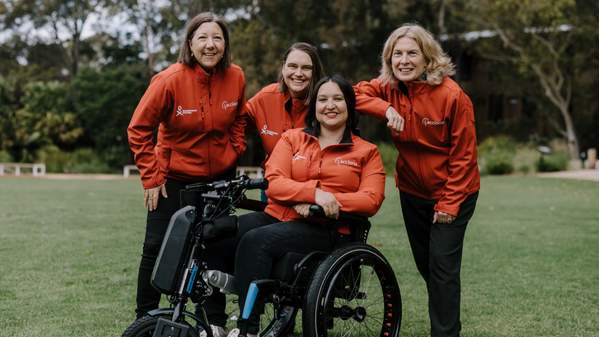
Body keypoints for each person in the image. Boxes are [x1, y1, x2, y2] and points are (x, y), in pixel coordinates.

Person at [227, 75, 386, 337]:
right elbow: (274, 182)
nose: (330, 105)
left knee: (256, 241)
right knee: (214, 231)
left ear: (349, 105)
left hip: (329, 230)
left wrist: (326, 201)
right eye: (323, 99)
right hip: (281, 217)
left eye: (338, 99)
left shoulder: (366, 151)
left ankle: (248, 330)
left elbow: (371, 199)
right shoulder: (292, 138)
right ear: (314, 107)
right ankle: (212, 322)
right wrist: (313, 193)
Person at [354, 23, 480, 337]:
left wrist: (449, 204)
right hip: (412, 192)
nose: (404, 60)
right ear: (389, 59)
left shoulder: (453, 96)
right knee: (429, 267)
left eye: (412, 53)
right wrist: (384, 109)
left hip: (453, 192)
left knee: (441, 269)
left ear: (428, 58)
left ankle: (445, 333)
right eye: (398, 54)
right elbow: (354, 94)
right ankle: (448, 319)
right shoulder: (390, 87)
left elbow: (464, 158)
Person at [127, 12, 246, 336]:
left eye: (217, 38)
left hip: (219, 180)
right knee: (157, 248)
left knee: (214, 249)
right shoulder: (169, 80)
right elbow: (138, 129)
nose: (210, 44)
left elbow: (238, 118)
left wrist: (234, 149)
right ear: (190, 43)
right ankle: (146, 319)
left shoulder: (236, 76)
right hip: (174, 182)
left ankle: (213, 323)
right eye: (203, 38)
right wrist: (152, 177)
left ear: (225, 44)